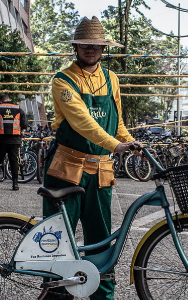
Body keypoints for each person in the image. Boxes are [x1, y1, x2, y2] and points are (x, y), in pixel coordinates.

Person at [42, 16, 143, 300]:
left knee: (100, 241)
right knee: (58, 239)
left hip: (100, 172)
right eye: (85, 44)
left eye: (96, 45)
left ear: (102, 48)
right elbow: (82, 121)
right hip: (66, 169)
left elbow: (117, 123)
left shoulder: (112, 79)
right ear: (75, 47)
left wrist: (128, 141)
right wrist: (114, 145)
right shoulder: (62, 80)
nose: (90, 49)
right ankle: (57, 296)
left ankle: (103, 297)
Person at [0, 94, 28, 190]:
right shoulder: (18, 109)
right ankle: (15, 184)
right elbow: (25, 124)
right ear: (9, 99)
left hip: (1, 140)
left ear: (1, 101)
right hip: (15, 140)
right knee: (14, 161)